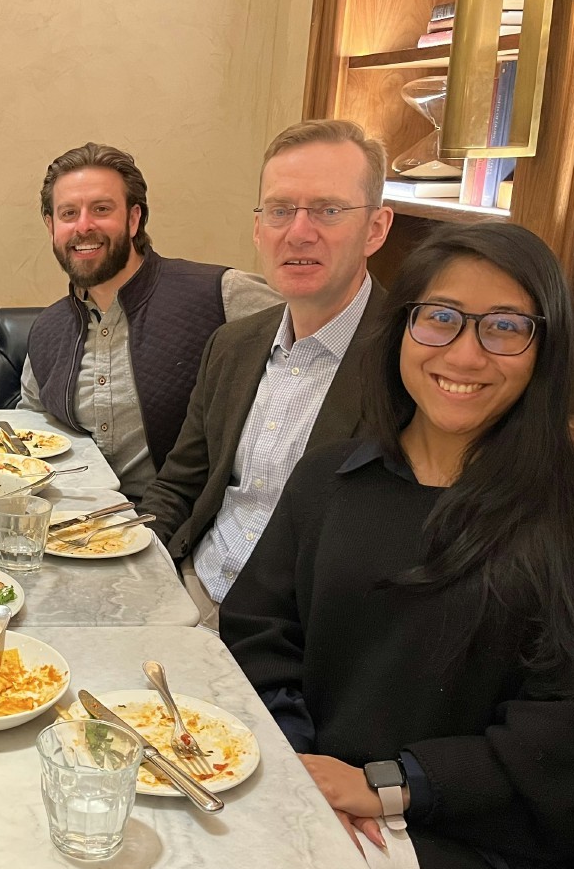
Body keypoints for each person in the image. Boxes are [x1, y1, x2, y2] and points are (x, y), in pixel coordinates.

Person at [220, 222, 574, 869]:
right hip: (309, 791)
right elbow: (258, 631)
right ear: (403, 327)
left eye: (506, 327)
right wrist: (299, 766)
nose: (465, 353)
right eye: (441, 317)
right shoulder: (329, 479)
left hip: (471, 850)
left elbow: (566, 746)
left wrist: (385, 787)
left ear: (547, 349)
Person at [137, 119, 395, 625]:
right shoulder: (233, 345)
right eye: (280, 211)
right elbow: (179, 486)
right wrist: (131, 564)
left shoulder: (407, 362)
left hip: (295, 629)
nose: (299, 232)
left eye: (329, 210)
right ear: (259, 229)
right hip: (192, 585)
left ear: (376, 229)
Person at [20, 141, 282, 506]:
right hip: (72, 526)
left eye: (101, 209)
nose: (83, 226)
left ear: (133, 219)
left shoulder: (220, 294)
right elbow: (30, 429)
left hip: (184, 528)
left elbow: (321, 343)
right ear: (51, 226)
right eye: (68, 214)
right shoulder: (47, 330)